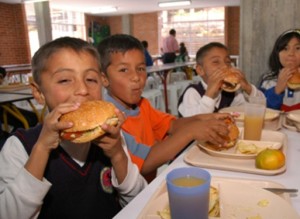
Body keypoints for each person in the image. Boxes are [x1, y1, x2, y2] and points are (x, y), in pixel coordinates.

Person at [0, 37, 147, 219]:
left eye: (91, 79)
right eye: (64, 80)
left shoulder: (110, 135)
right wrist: (42, 149)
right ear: (38, 92)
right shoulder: (20, 147)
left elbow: (141, 200)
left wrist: (117, 155)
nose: (83, 89)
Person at [97, 34, 232, 182]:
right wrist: (191, 131)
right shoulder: (108, 120)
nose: (136, 77)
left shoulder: (142, 105)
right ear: (104, 78)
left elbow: (171, 125)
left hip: (148, 185)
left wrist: (205, 118)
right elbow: (144, 164)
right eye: (124, 70)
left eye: (141, 68)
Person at [178, 42, 264, 117]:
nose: (224, 66)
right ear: (200, 70)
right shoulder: (193, 93)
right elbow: (194, 122)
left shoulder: (230, 93)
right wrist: (210, 94)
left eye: (227, 62)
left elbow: (259, 108)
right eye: (216, 62)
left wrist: (248, 87)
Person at [259, 29, 300, 111]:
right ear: (277, 53)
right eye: (285, 48)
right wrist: (277, 89)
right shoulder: (268, 80)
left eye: (298, 48)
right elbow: (262, 109)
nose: (291, 53)